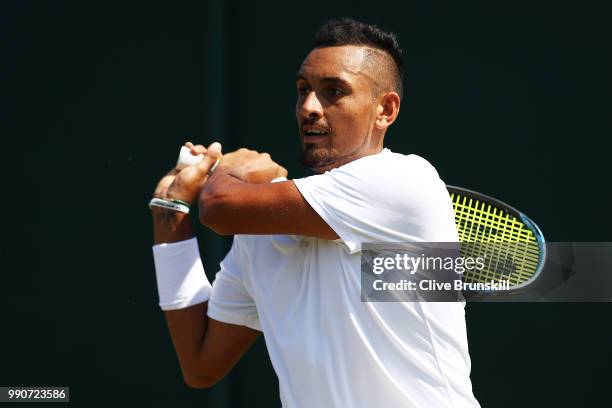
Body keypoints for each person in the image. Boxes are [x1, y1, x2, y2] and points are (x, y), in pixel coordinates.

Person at [150, 18, 480, 408]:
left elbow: (219, 208)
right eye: (303, 90)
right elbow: (200, 364)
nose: (309, 107)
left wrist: (233, 168)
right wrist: (168, 209)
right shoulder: (261, 230)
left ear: (385, 110)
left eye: (333, 92)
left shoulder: (405, 180)